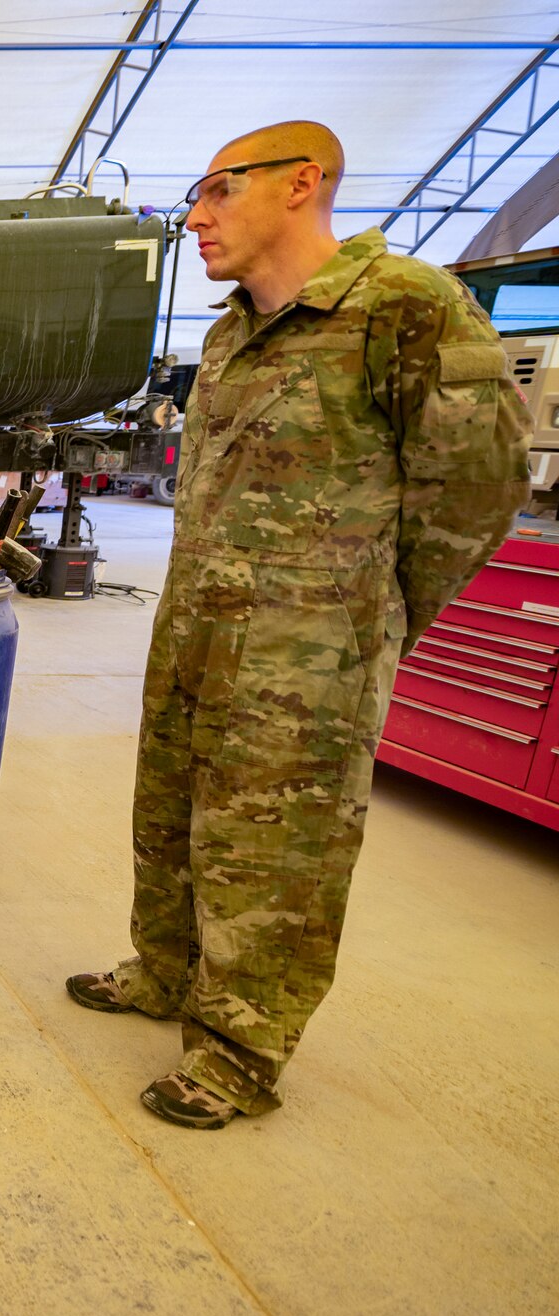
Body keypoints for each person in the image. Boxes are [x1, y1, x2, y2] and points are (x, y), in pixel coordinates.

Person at [68, 122, 531, 1128]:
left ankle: (238, 1050)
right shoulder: (227, 335)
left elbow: (479, 484)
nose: (194, 216)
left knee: (278, 849)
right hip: (195, 628)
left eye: (215, 191)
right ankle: (163, 969)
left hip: (308, 648)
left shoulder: (403, 307)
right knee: (173, 813)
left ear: (298, 185)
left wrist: (366, 608)